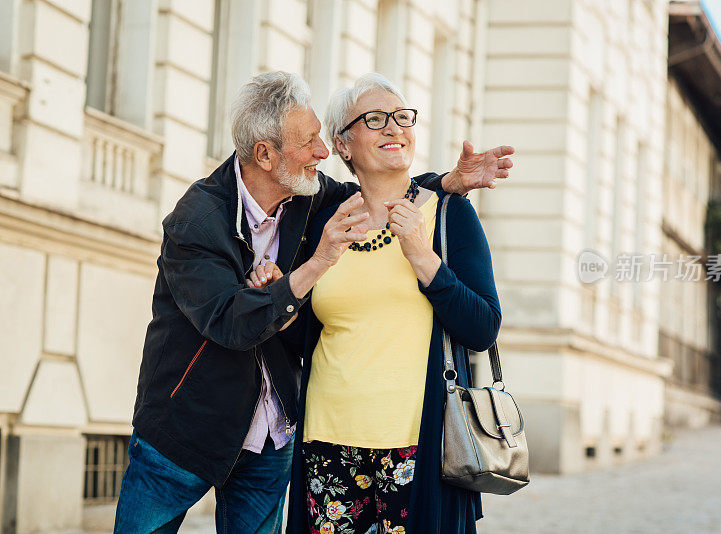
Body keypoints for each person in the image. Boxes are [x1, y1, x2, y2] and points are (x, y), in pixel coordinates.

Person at [113, 71, 513, 533]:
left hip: (276, 439)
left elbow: (386, 187)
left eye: (402, 118)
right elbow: (233, 324)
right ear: (265, 154)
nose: (320, 153)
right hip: (190, 431)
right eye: (310, 142)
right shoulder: (199, 221)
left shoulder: (316, 199)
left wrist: (445, 185)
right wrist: (301, 276)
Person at [281, 73, 502, 534]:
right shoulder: (325, 220)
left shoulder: (448, 215)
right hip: (327, 441)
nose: (393, 129)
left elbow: (483, 328)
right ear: (343, 145)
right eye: (375, 119)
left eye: (402, 118)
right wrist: (281, 296)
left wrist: (424, 260)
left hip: (418, 447)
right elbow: (304, 337)